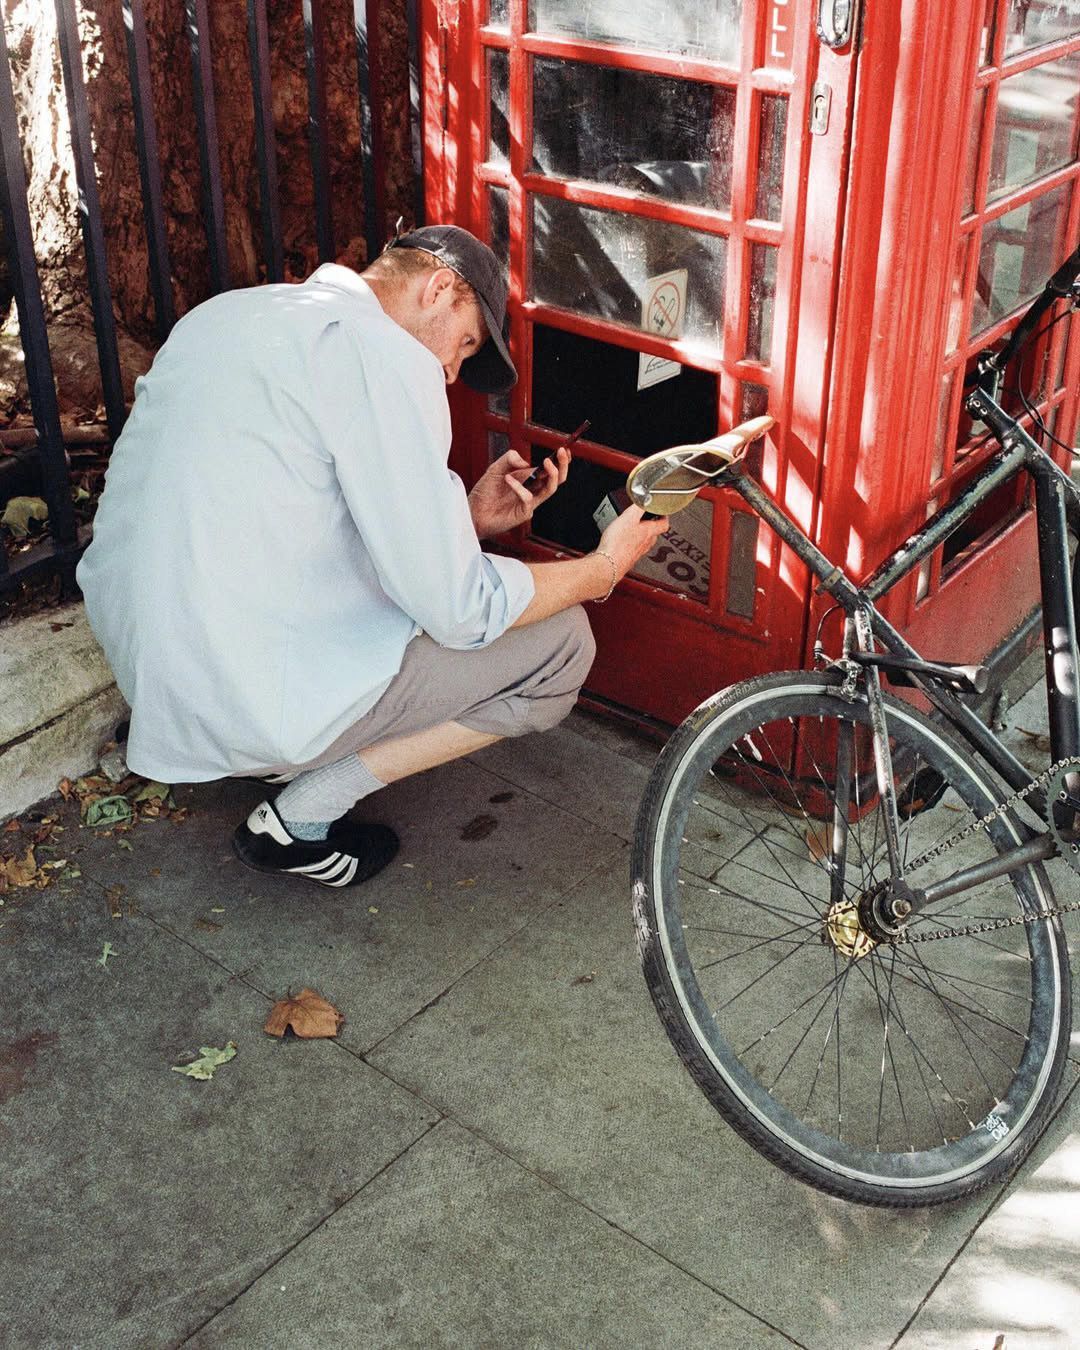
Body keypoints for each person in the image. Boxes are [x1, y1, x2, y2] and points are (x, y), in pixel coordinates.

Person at [77, 225, 668, 888]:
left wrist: (464, 520)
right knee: (563, 642)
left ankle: (274, 758)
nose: (449, 373)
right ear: (438, 287)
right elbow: (460, 612)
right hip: (247, 696)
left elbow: (292, 509)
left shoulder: (230, 313)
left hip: (154, 674)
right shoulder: (384, 355)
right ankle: (300, 816)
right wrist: (600, 570)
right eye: (464, 343)